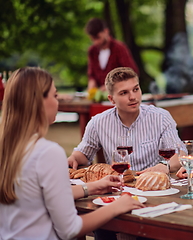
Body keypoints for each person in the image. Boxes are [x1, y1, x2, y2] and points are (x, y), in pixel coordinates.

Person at [0, 67, 144, 240]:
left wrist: (92, 187)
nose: (58, 101)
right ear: (38, 102)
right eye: (54, 95)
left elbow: (36, 196)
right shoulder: (48, 153)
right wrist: (118, 206)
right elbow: (69, 229)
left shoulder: (8, 148)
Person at [68, 67, 185, 174]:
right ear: (111, 99)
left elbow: (180, 154)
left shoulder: (161, 117)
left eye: (136, 89)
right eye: (124, 93)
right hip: (118, 186)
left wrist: (165, 166)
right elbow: (84, 153)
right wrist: (73, 158)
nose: (133, 97)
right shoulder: (98, 122)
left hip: (154, 184)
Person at [85, 17, 138, 91]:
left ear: (106, 31)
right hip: (101, 96)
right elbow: (92, 75)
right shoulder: (92, 51)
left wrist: (111, 86)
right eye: (93, 39)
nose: (96, 42)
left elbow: (131, 73)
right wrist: (92, 85)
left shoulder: (120, 48)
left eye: (98, 38)